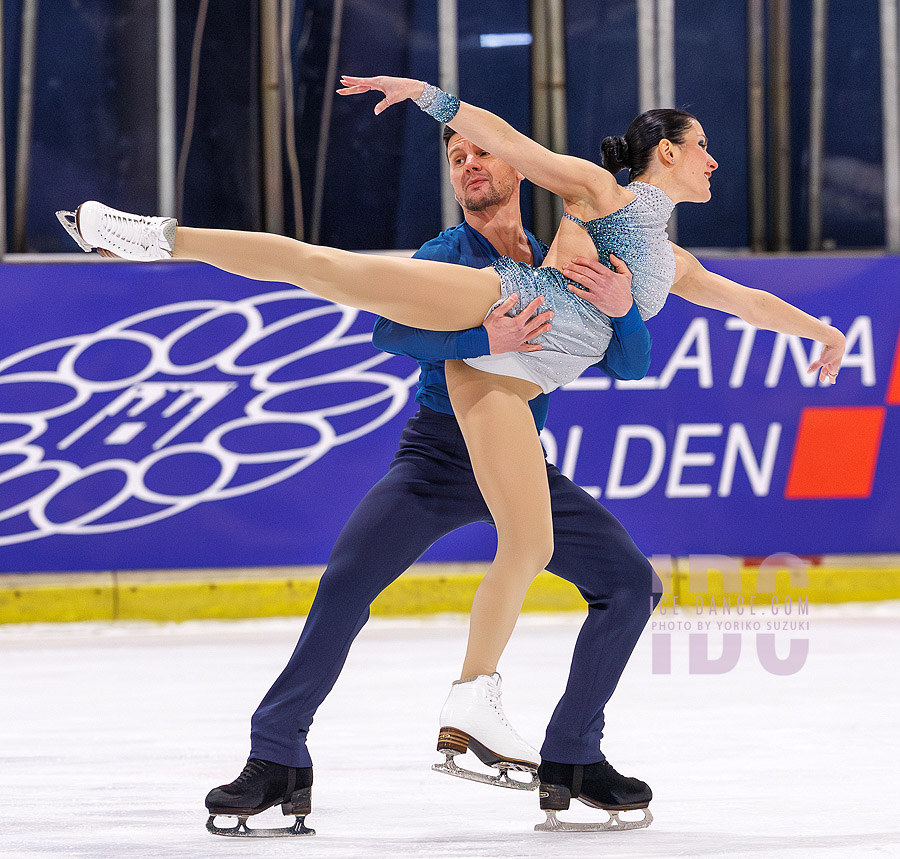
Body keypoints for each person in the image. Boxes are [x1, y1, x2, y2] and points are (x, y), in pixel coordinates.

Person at [60, 74, 846, 833]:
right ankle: (277, 756)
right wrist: (483, 330)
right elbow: (391, 327)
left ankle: (570, 755)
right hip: (440, 451)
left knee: (628, 583)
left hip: (513, 445)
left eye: (478, 155)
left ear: (509, 176)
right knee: (346, 565)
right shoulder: (510, 232)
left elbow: (648, 347)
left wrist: (816, 330)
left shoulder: (587, 243)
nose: (472, 162)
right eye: (458, 156)